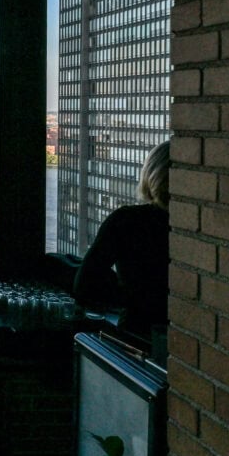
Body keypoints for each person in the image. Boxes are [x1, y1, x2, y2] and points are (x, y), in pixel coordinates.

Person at [73, 140, 170, 337]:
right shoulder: (203, 230)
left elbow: (86, 284)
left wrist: (132, 295)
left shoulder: (127, 221)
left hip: (137, 335)